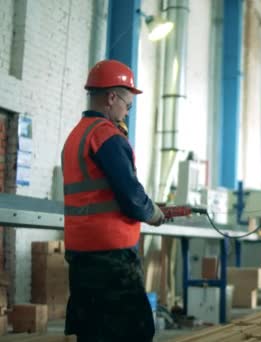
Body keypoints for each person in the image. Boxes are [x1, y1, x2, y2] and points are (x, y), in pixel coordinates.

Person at [62, 59, 166, 341]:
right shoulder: (106, 136)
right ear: (111, 98)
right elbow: (131, 196)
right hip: (112, 258)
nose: (127, 113)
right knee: (136, 331)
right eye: (128, 105)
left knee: (92, 332)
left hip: (82, 255)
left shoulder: (76, 136)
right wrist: (153, 212)